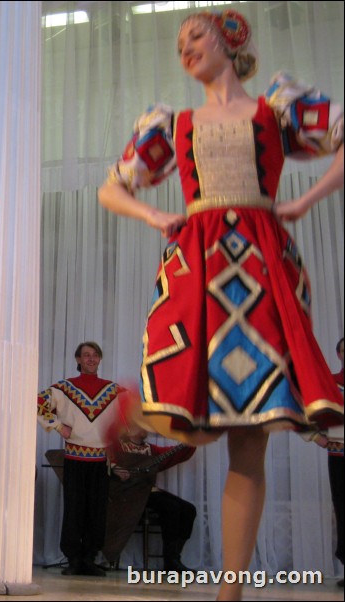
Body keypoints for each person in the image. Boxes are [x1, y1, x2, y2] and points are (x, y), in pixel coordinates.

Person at [97, 8, 343, 600]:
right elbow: (112, 187)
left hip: (263, 264)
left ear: (232, 40)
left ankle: (229, 590)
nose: (185, 46)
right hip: (195, 261)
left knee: (249, 429)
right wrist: (155, 213)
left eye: (197, 35)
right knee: (196, 410)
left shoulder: (276, 107)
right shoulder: (171, 124)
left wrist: (304, 201)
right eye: (179, 41)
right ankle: (138, 407)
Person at [36, 342, 125, 577]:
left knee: (96, 512)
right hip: (75, 458)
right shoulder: (64, 388)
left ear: (100, 359)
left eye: (95, 355)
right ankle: (74, 559)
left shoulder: (112, 390)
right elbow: (38, 402)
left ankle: (90, 558)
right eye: (86, 355)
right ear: (78, 359)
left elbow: (131, 412)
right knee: (74, 510)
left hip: (99, 461)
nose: (91, 359)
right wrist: (56, 425)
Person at [105, 426, 196, 572]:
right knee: (171, 508)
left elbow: (177, 454)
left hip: (147, 493)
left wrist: (192, 440)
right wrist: (115, 468)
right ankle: (171, 561)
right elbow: (102, 456)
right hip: (126, 497)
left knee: (189, 510)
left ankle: (173, 558)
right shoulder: (117, 446)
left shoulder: (151, 450)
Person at [307, 337, 344, 587]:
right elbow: (305, 411)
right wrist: (315, 437)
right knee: (342, 511)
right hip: (339, 457)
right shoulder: (330, 383)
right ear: (339, 354)